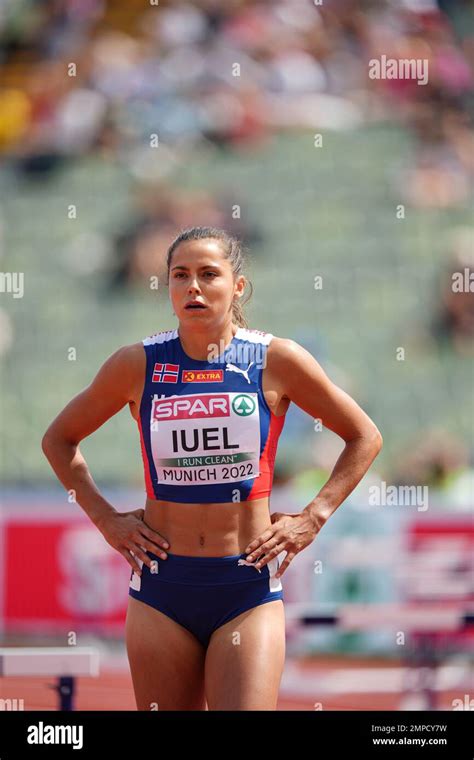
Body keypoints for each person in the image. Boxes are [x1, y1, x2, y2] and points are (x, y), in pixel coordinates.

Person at [41, 225, 383, 710]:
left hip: (246, 586)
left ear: (237, 286)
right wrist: (106, 519)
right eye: (180, 275)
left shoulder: (274, 360)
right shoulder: (137, 364)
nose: (193, 287)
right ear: (168, 287)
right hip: (161, 587)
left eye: (208, 274)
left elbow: (364, 436)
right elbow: (59, 439)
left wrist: (314, 516)